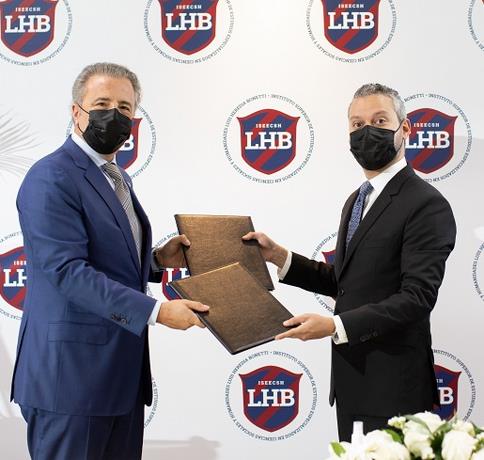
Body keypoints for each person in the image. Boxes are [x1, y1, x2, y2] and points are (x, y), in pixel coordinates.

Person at [10, 62, 209, 460]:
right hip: (70, 382)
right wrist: (157, 312)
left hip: (120, 379)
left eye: (124, 108)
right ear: (76, 111)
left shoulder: (117, 177)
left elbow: (105, 259)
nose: (113, 115)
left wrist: (156, 261)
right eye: (102, 104)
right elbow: (68, 272)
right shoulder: (51, 177)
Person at [244, 83, 457, 442]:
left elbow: (417, 298)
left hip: (395, 390)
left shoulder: (425, 204)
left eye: (379, 120)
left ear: (405, 128)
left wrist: (334, 325)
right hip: (351, 384)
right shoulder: (356, 200)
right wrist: (277, 255)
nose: (366, 131)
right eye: (357, 124)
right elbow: (346, 283)